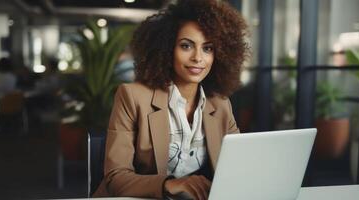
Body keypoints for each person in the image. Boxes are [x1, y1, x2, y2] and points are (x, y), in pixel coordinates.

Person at [93, 0, 249, 199]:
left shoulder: (221, 105)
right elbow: (116, 178)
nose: (198, 58)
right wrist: (172, 184)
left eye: (208, 48)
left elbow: (238, 168)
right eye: (186, 46)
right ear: (167, 49)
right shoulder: (132, 96)